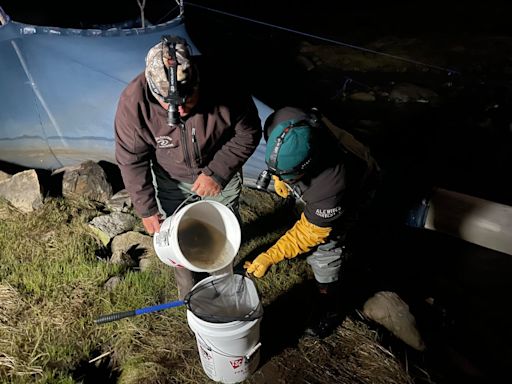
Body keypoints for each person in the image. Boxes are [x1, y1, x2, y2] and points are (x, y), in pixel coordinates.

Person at [115, 35, 262, 300]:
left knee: (224, 232)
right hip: (173, 177)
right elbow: (131, 159)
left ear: (197, 82)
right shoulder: (133, 104)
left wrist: (217, 172)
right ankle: (190, 296)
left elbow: (248, 133)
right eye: (169, 105)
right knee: (176, 236)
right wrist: (146, 208)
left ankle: (222, 284)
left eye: (187, 101)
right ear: (152, 90)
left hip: (220, 173)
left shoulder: (226, 82)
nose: (180, 112)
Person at [244, 106, 381, 338]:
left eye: (291, 176)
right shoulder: (281, 119)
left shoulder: (333, 183)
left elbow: (310, 234)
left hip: (359, 182)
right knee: (308, 209)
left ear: (308, 166)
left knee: (325, 249)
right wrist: (279, 176)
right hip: (316, 179)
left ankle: (329, 307)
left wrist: (272, 255)